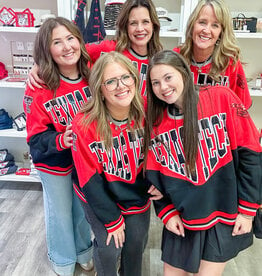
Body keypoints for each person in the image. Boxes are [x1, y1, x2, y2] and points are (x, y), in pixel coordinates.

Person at [144, 50, 262, 276]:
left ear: (184, 73)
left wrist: (248, 212)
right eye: (155, 82)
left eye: (168, 77)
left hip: (223, 213)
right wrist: (167, 212)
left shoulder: (221, 97)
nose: (163, 87)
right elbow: (154, 180)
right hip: (183, 218)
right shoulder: (156, 122)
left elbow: (252, 154)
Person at [71, 51, 161, 276]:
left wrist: (161, 183)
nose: (120, 86)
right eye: (110, 81)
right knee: (110, 247)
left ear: (135, 79)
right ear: (100, 90)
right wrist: (112, 219)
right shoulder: (84, 124)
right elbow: (89, 180)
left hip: (133, 191)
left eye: (125, 77)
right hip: (97, 193)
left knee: (136, 243)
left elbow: (164, 150)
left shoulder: (150, 111)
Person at [23, 17, 93, 276]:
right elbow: (35, 137)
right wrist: (60, 140)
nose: (66, 47)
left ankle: (84, 251)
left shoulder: (91, 73)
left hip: (85, 161)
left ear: (79, 40)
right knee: (60, 213)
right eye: (57, 42)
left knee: (83, 210)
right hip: (54, 164)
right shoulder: (40, 86)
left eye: (70, 38)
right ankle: (62, 260)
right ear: (46, 50)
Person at [27, 0, 163, 96]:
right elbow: (71, 50)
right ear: (125, 26)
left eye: (145, 22)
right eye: (133, 23)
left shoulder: (159, 57)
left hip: (149, 126)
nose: (140, 29)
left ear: (153, 25)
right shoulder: (110, 49)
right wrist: (39, 64)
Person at [173, 0, 252, 109]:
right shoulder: (175, 57)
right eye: (202, 22)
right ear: (192, 24)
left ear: (221, 32)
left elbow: (242, 109)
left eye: (215, 25)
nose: (206, 30)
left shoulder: (230, 62)